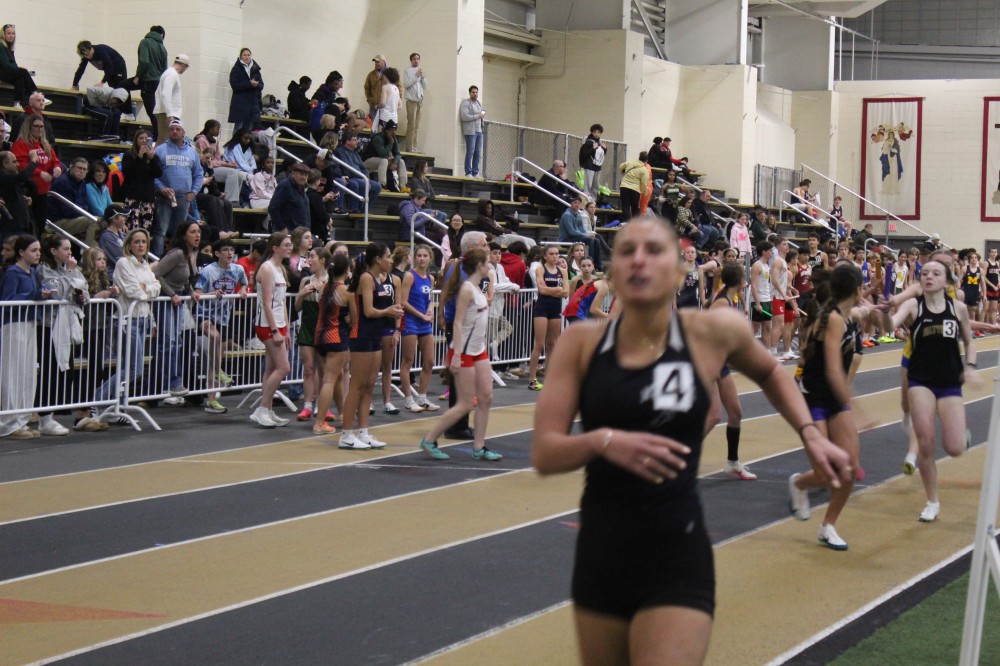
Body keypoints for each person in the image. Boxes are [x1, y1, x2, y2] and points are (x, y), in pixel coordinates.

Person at [531, 216, 851, 664]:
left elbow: (770, 371)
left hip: (676, 548)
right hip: (604, 551)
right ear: (613, 272)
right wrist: (604, 441)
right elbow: (545, 452)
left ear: (680, 271)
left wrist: (810, 433)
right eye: (627, 251)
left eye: (654, 250)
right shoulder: (581, 344)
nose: (639, 260)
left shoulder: (711, 332)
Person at [883, 258, 979, 522]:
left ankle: (961, 436)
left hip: (949, 382)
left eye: (936, 273)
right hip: (920, 380)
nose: (929, 277)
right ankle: (932, 501)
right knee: (925, 443)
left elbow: (970, 342)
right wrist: (884, 311)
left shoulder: (958, 308)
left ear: (946, 281)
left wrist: (970, 367)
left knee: (954, 448)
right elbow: (890, 326)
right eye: (925, 273)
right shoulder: (914, 305)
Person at [789, 264, 876, 550]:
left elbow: (867, 312)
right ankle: (800, 483)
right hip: (814, 398)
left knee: (849, 469)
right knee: (827, 473)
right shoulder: (833, 319)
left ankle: (828, 526)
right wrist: (858, 410)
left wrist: (879, 305)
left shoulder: (849, 314)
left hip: (834, 400)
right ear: (856, 290)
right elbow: (833, 371)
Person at [418, 248, 501, 461]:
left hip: (478, 349)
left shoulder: (478, 287)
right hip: (463, 350)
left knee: (486, 397)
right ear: (479, 265)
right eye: (487, 262)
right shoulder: (466, 289)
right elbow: (457, 322)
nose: (490, 265)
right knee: (465, 403)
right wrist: (455, 355)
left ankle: (479, 447)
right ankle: (429, 439)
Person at [339, 242, 403, 450]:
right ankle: (346, 434)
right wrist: (388, 311)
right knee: (357, 386)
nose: (390, 261)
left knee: (368, 386)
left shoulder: (380, 279)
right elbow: (368, 311)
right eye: (388, 256)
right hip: (362, 335)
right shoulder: (366, 278)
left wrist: (391, 313)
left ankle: (363, 432)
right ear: (378, 259)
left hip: (375, 335)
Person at [94, 228, 161, 408]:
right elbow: (134, 292)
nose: (141, 245)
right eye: (136, 242)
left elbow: (157, 288)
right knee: (134, 370)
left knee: (127, 368)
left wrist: (146, 288)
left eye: (144, 241)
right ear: (129, 245)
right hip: (127, 320)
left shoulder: (145, 265)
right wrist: (146, 289)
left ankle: (119, 407)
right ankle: (96, 400)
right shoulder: (123, 263)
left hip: (143, 319)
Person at [708, 263, 757, 480]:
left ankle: (732, 462)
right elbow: (709, 333)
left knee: (733, 413)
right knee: (713, 416)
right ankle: (680, 458)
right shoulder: (721, 303)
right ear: (740, 281)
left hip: (719, 361)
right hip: (710, 362)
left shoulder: (728, 298)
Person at [0, 235, 50, 438]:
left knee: (26, 372)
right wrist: (35, 296)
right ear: (21, 252)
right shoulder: (13, 273)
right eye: (33, 250)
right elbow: (7, 301)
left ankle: (21, 418)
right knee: (13, 373)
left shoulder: (32, 272)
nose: (38, 254)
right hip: (13, 326)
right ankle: (8, 423)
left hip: (29, 324)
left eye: (39, 250)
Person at [193, 238, 248, 414]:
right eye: (225, 250)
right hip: (205, 314)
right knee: (214, 337)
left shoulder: (238, 270)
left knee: (215, 359)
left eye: (232, 249)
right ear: (217, 253)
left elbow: (245, 283)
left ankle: (211, 400)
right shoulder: (209, 271)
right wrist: (212, 293)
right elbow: (198, 293)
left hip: (224, 318)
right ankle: (219, 372)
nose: (229, 253)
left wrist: (242, 290)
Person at [153, 221, 201, 397]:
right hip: (166, 298)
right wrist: (172, 293)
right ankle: (169, 382)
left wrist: (191, 291)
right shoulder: (177, 253)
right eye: (193, 232)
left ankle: (173, 381)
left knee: (177, 341)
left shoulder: (189, 254)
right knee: (168, 341)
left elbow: (185, 278)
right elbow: (156, 274)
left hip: (178, 298)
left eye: (198, 231)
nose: (197, 235)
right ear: (183, 235)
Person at [250, 231, 293, 428]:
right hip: (267, 325)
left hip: (279, 323)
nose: (290, 248)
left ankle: (267, 409)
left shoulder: (280, 268)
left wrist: (286, 329)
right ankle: (262, 409)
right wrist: (275, 331)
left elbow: (281, 302)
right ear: (275, 248)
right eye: (286, 245)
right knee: (284, 368)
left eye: (290, 245)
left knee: (270, 368)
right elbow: (267, 303)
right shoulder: (267, 269)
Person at [312, 252, 352, 435]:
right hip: (336, 336)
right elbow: (354, 319)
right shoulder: (345, 290)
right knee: (329, 379)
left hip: (320, 337)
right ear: (347, 270)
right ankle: (319, 423)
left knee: (335, 377)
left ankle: (342, 412)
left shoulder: (324, 287)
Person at [399, 244, 440, 415]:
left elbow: (429, 298)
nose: (422, 258)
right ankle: (408, 400)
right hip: (411, 321)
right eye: (419, 255)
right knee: (408, 361)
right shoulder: (410, 276)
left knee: (429, 361)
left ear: (430, 258)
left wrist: (429, 310)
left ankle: (422, 397)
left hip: (424, 323)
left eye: (425, 256)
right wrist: (421, 315)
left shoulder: (430, 278)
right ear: (415, 258)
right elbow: (403, 301)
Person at [152, 119, 202, 256]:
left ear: (183, 132)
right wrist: (161, 188)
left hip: (184, 198)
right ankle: (157, 259)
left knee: (179, 232)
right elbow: (152, 174)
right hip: (164, 196)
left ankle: (175, 258)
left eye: (177, 129)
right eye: (172, 129)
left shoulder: (192, 152)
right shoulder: (160, 150)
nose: (174, 131)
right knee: (160, 231)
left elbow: (198, 175)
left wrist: (194, 191)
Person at [294, 246, 330, 422]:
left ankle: (321, 406)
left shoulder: (331, 281)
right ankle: (307, 406)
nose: (309, 260)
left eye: (313, 256)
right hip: (308, 328)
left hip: (324, 329)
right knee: (308, 369)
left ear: (322, 260)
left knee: (323, 370)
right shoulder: (306, 280)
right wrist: (301, 294)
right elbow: (297, 307)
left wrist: (323, 292)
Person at [12, 113, 61, 235]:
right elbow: (20, 166)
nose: (39, 129)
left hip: (43, 193)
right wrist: (40, 173)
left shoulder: (45, 145)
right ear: (29, 127)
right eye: (36, 126)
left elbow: (55, 161)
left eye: (41, 126)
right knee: (27, 229)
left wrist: (57, 168)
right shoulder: (21, 144)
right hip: (27, 192)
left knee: (39, 228)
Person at [528, 245, 569, 391]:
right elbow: (541, 290)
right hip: (542, 307)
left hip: (555, 308)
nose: (555, 256)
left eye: (557, 254)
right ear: (545, 256)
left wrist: (552, 290)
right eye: (552, 254)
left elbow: (566, 292)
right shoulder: (540, 269)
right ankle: (532, 379)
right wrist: (557, 289)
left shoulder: (562, 271)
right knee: (539, 344)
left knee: (552, 343)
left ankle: (549, 377)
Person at [120, 129, 161, 233]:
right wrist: (139, 157)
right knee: (132, 227)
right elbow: (128, 172)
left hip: (148, 198)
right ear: (136, 140)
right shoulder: (129, 155)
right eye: (141, 138)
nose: (143, 141)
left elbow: (158, 173)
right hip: (133, 197)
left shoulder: (153, 156)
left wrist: (152, 159)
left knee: (146, 229)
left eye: (146, 138)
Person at [333, 130, 381, 212]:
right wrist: (362, 177)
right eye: (355, 140)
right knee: (364, 183)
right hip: (350, 177)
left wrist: (366, 176)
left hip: (360, 177)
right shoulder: (340, 151)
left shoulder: (355, 153)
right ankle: (356, 209)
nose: (357, 142)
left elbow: (363, 167)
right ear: (348, 141)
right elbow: (348, 168)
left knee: (377, 186)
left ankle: (364, 210)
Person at [132, 26, 167, 138]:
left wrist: (138, 76)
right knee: (156, 112)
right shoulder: (162, 47)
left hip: (147, 80)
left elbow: (144, 62)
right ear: (161, 35)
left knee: (151, 112)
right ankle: (159, 137)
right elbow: (164, 68)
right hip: (158, 82)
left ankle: (127, 112)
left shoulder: (145, 42)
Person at [153, 54, 190, 144]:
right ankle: (155, 154)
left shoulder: (168, 73)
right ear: (183, 65)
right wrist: (169, 115)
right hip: (167, 114)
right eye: (186, 67)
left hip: (166, 112)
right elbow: (166, 94)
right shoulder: (172, 74)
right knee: (163, 141)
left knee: (167, 142)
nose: (185, 70)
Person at [0, 149, 37, 239]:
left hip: (22, 225)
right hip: (10, 228)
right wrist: (33, 161)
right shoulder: (3, 178)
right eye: (14, 162)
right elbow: (22, 177)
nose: (18, 164)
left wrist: (24, 199)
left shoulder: (13, 178)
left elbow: (32, 186)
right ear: (4, 164)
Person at [0, 24, 38, 108]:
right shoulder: (1, 45)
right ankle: (35, 94)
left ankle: (16, 103)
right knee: (23, 71)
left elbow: (13, 64)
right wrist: (20, 70)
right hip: (3, 72)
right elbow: (5, 65)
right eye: (9, 33)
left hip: (7, 72)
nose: (11, 36)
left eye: (13, 33)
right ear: (3, 34)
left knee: (20, 79)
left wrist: (19, 70)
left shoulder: (9, 47)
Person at [559, 197, 603, 267]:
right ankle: (589, 263)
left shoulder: (578, 215)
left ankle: (597, 266)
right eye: (575, 203)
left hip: (576, 237)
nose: (577, 205)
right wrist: (585, 235)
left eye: (579, 203)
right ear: (571, 204)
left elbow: (581, 230)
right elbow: (571, 232)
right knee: (590, 240)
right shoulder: (567, 215)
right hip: (566, 238)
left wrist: (587, 234)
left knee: (596, 240)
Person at [363, 120, 407, 189]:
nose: (393, 132)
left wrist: (395, 162)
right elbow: (383, 154)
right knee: (384, 160)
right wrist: (390, 143)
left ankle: (403, 186)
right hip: (368, 161)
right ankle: (382, 185)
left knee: (401, 161)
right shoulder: (378, 138)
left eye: (394, 130)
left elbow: (398, 154)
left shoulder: (393, 138)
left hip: (382, 161)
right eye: (391, 130)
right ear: (386, 130)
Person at [228, 48, 263, 135]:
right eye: (244, 55)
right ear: (241, 57)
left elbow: (261, 85)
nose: (247, 57)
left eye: (248, 55)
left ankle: (245, 144)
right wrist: (249, 84)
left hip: (252, 104)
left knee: (248, 129)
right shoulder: (236, 69)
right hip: (240, 103)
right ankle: (235, 143)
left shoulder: (256, 69)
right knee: (238, 128)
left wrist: (256, 85)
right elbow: (234, 85)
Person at [268, 162, 310, 231]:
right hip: (288, 232)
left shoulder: (302, 188)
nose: (304, 177)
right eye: (301, 174)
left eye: (306, 175)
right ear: (293, 174)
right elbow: (273, 208)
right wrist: (282, 228)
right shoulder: (284, 186)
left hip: (301, 232)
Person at [221, 129, 256, 202]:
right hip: (235, 170)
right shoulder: (232, 147)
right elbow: (231, 162)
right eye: (245, 138)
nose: (247, 141)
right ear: (239, 137)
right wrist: (245, 166)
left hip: (247, 171)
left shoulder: (249, 149)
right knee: (250, 178)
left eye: (249, 139)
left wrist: (247, 167)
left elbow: (252, 164)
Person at [460, 85, 486, 178]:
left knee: (477, 152)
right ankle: (468, 172)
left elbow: (481, 114)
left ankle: (475, 172)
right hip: (470, 131)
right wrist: (477, 116)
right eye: (473, 92)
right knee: (470, 151)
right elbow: (464, 116)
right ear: (470, 93)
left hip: (479, 130)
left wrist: (482, 115)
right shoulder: (466, 103)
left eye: (476, 92)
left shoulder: (478, 103)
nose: (475, 94)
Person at [98, 204, 129, 278]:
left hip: (125, 274)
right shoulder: (106, 237)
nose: (125, 218)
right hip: (114, 276)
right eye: (123, 216)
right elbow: (122, 257)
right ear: (114, 219)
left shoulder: (122, 234)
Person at [403, 53, 426, 152]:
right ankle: (409, 148)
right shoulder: (407, 70)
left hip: (419, 101)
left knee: (416, 126)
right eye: (414, 59)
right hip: (411, 101)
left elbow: (424, 87)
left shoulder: (420, 71)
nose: (416, 60)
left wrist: (423, 78)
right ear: (411, 60)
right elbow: (406, 84)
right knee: (411, 125)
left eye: (417, 59)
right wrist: (415, 76)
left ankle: (414, 147)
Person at [618, 152, 650, 220]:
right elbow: (644, 184)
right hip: (635, 190)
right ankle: (635, 223)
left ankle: (626, 222)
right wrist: (646, 193)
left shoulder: (631, 162)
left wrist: (623, 171)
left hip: (624, 187)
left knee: (625, 206)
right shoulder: (644, 170)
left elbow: (621, 166)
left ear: (639, 157)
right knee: (635, 208)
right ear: (646, 160)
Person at [579, 124, 606, 199]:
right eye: (595, 132)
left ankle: (594, 200)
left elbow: (601, 155)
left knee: (595, 185)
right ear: (592, 132)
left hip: (598, 167)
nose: (597, 134)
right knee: (588, 185)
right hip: (590, 166)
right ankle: (586, 199)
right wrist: (593, 148)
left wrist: (605, 149)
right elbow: (585, 153)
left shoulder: (600, 142)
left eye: (598, 132)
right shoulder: (589, 142)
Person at [364, 55, 388, 121]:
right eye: (375, 62)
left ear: (384, 61)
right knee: (373, 125)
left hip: (387, 107)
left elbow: (398, 88)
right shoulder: (371, 75)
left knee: (385, 125)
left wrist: (397, 101)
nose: (376, 63)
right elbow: (367, 88)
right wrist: (370, 100)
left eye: (378, 61)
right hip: (374, 107)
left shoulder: (390, 73)